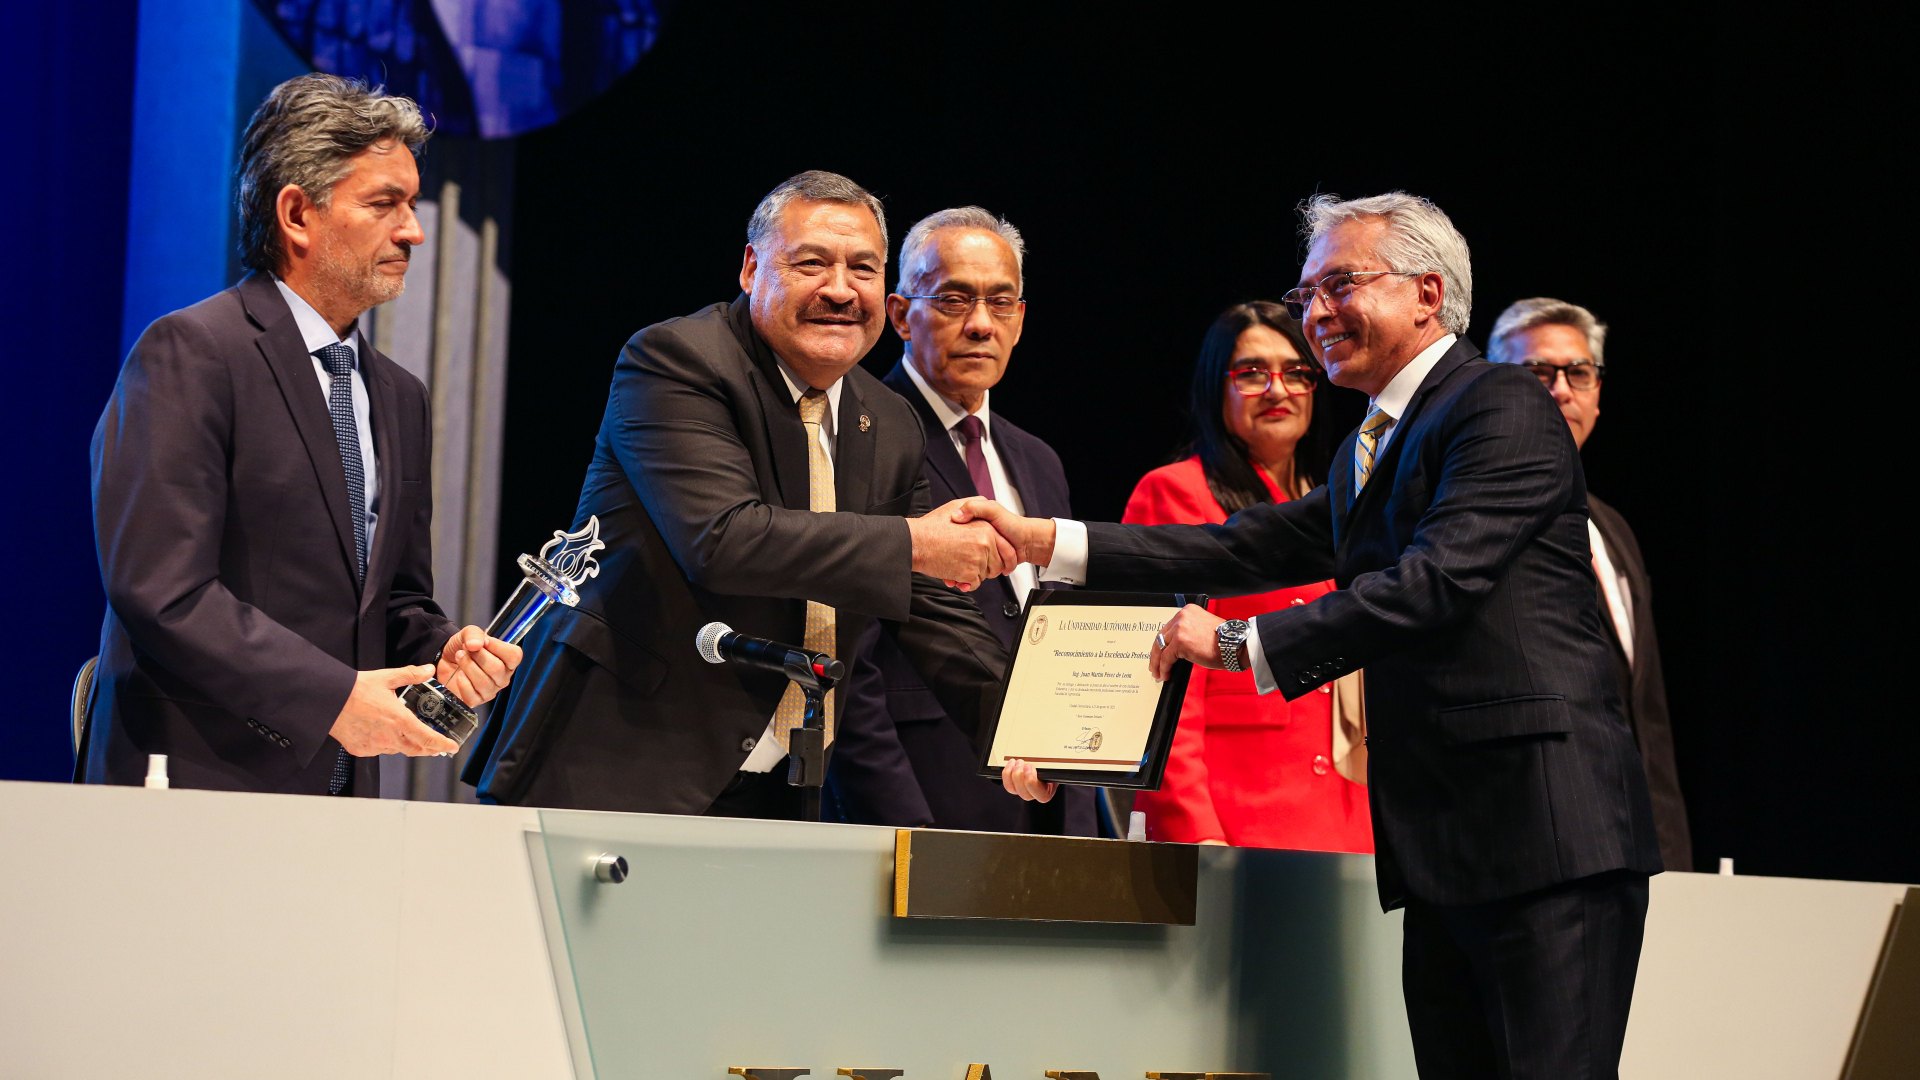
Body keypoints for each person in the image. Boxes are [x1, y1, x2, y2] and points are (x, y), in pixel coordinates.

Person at [972, 192, 1662, 1079]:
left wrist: (1234, 646)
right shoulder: (1374, 443)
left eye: (1341, 284)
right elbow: (1241, 546)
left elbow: (1435, 583)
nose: (1317, 313)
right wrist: (1041, 541)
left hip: (1543, 836)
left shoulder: (1498, 405)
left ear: (1426, 292)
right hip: (1450, 845)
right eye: (1309, 294)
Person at [462, 172, 1014, 819]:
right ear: (752, 269)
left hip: (778, 786)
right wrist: (916, 541)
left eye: (863, 269)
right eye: (812, 263)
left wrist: (1028, 733)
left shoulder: (891, 421)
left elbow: (927, 600)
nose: (841, 290)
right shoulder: (676, 361)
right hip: (612, 764)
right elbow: (723, 539)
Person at [85, 74, 521, 796]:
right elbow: (163, 591)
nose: (413, 231)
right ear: (296, 215)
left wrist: (444, 649)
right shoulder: (193, 352)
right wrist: (334, 700)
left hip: (339, 794)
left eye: (412, 205)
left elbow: (393, 600)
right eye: (383, 204)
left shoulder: (401, 396)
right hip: (195, 785)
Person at [826, 207, 1098, 836]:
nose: (980, 324)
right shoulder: (857, 435)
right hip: (923, 797)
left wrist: (1079, 806)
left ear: (1020, 319)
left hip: (1043, 797)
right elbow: (847, 660)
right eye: (953, 300)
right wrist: (903, 827)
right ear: (900, 315)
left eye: (1000, 303)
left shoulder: (1038, 458)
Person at [1121, 301, 1371, 852]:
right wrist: (1196, 831)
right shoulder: (1174, 492)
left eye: (1296, 372)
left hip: (1345, 813)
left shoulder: (1332, 501)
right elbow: (1161, 686)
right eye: (1252, 373)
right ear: (1217, 388)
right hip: (1236, 815)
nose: (1278, 389)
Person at [1489, 296, 1691, 871]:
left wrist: (1673, 857)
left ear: (1598, 392)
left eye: (1578, 373)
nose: (1561, 391)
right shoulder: (1472, 517)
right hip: (1533, 845)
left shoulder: (1612, 528)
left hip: (1635, 846)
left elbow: (1646, 717)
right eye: (1536, 373)